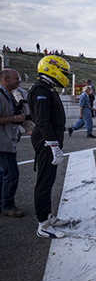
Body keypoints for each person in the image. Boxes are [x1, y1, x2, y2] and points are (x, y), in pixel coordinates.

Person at [28, 55, 71, 238]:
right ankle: (43, 224)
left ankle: (48, 215)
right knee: (44, 181)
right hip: (46, 141)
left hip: (50, 140)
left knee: (49, 180)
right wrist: (53, 145)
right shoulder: (40, 89)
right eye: (63, 72)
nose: (64, 76)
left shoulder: (47, 88)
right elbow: (43, 120)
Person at [0, 69, 27, 218]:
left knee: (3, 174)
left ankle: (2, 203)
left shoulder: (8, 95)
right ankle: (8, 206)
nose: (19, 81)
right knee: (11, 174)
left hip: (7, 141)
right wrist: (15, 119)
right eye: (16, 79)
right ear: (6, 79)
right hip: (2, 143)